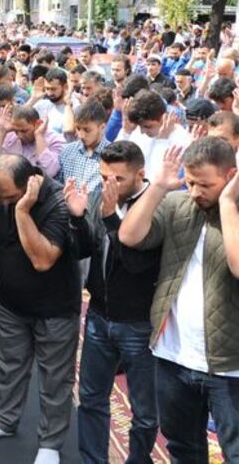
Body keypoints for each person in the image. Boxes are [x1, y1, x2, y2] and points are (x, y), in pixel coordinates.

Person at [0, 154, 93, 464]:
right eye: (1, 196)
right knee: (9, 367)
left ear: (28, 184)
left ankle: (50, 442)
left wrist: (22, 210)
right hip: (11, 303)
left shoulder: (57, 201)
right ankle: (4, 420)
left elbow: (43, 260)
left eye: (10, 197)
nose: (5, 203)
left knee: (55, 380)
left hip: (55, 308)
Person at [118, 137, 239, 462]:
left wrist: (228, 203)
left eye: (206, 185)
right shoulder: (178, 204)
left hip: (229, 365)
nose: (196, 191)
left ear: (231, 176)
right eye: (190, 181)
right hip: (173, 356)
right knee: (182, 448)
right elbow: (129, 235)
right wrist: (158, 187)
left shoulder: (234, 211)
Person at [77, 141, 160, 464]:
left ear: (140, 174)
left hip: (139, 323)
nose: (108, 185)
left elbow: (137, 264)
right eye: (103, 177)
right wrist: (76, 219)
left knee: (145, 411)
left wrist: (111, 218)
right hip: (99, 314)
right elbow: (85, 249)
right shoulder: (100, 197)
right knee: (91, 398)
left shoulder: (155, 205)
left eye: (118, 179)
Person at [117, 89, 192, 180]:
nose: (142, 131)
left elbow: (157, 180)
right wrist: (126, 132)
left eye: (148, 126)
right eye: (140, 126)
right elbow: (116, 162)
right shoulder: (138, 132)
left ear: (164, 118)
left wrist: (161, 142)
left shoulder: (181, 140)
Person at [0, 105, 65, 178]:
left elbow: (50, 172)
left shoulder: (56, 140)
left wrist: (39, 136)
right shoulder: (11, 136)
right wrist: (1, 131)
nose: (19, 136)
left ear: (38, 123)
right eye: (16, 131)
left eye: (24, 131)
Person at [57, 102, 109, 192]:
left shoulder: (112, 156)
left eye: (87, 130)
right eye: (78, 129)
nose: (81, 135)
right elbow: (58, 187)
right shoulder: (66, 151)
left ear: (102, 127)